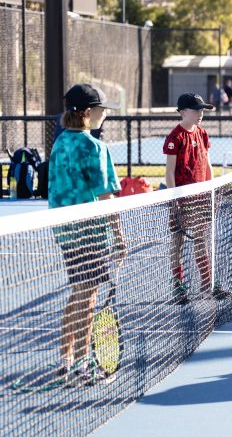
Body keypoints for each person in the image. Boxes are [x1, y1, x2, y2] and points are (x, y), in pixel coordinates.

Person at [49, 83, 125, 385]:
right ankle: (82, 363)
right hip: (90, 233)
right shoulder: (95, 147)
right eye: (103, 110)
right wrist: (119, 236)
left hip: (65, 232)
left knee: (78, 291)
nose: (105, 114)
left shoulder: (59, 144)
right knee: (88, 297)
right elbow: (107, 197)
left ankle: (64, 358)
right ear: (89, 113)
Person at [164, 93, 231, 303]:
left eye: (202, 110)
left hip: (200, 196)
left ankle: (207, 282)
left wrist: (211, 188)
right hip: (181, 197)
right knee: (178, 241)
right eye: (196, 110)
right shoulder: (175, 137)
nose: (201, 113)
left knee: (201, 239)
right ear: (183, 112)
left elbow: (207, 163)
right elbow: (169, 171)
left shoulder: (202, 133)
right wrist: (174, 198)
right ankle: (179, 286)